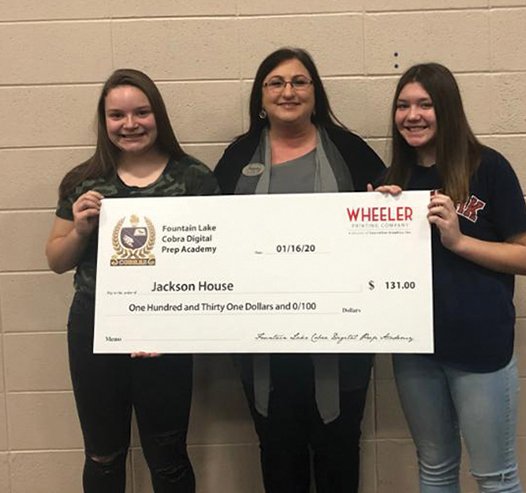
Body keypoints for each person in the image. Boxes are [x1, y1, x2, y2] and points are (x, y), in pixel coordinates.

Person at [214, 47, 385, 493]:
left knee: (340, 448)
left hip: (343, 338)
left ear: (315, 92)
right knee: (277, 449)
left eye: (299, 81)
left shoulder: (351, 151)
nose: (288, 91)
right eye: (276, 82)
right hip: (261, 341)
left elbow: (389, 231)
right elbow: (209, 240)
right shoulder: (236, 158)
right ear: (260, 96)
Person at [45, 68, 219, 492]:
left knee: (168, 455)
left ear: (157, 115)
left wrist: (173, 324)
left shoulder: (194, 178)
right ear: (104, 122)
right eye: (117, 115)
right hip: (95, 328)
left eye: (141, 112)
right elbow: (55, 260)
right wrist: (82, 230)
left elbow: (217, 260)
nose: (130, 124)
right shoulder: (82, 181)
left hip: (167, 329)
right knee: (103, 455)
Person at [377, 63, 526, 492]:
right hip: (416, 349)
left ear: (446, 109)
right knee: (435, 469)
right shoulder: (395, 179)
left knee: (495, 477)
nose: (412, 115)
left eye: (425, 104)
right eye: (403, 105)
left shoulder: (489, 168)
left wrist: (460, 241)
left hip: (481, 350)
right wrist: (373, 220)